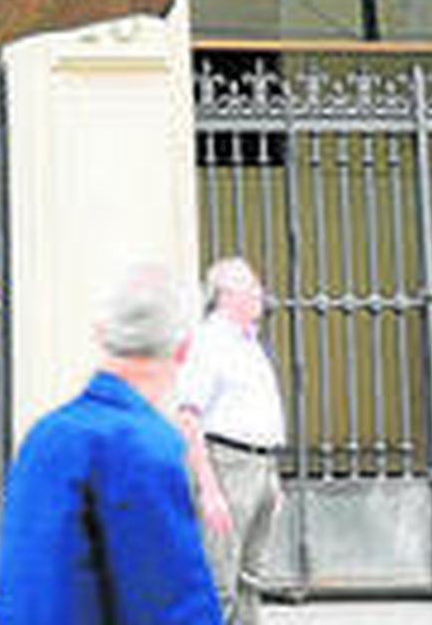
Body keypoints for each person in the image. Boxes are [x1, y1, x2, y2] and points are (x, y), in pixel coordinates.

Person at [0, 263, 220, 624]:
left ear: (100, 334)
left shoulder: (44, 437)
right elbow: (172, 604)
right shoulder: (146, 446)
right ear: (184, 348)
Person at [177, 257, 285, 625]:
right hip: (228, 464)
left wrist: (270, 476)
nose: (260, 293)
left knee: (249, 579)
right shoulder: (210, 342)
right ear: (226, 296)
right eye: (251, 287)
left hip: (260, 466)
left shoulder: (248, 343)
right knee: (218, 582)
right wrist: (209, 490)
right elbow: (188, 417)